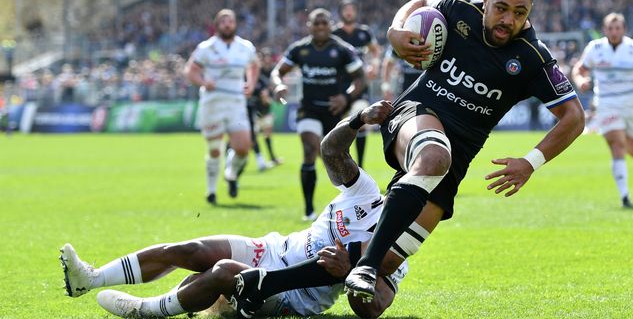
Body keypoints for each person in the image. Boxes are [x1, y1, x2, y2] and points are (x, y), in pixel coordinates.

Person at [344, 0, 586, 300]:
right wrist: (396, 31)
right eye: (500, 8)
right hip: (413, 116)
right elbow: (421, 3)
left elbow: (573, 116)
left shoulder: (532, 57)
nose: (507, 19)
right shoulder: (461, 8)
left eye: (519, 13)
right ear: (485, 0)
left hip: (455, 158)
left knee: (377, 285)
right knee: (431, 156)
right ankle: (365, 266)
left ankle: (271, 282)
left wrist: (530, 163)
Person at [60, 101, 408, 319]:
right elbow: (330, 152)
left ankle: (146, 310)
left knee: (224, 270)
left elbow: (374, 308)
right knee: (191, 250)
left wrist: (350, 271)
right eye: (402, 177)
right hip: (274, 248)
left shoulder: (397, 246)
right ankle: (89, 279)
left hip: (292, 296)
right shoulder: (365, 192)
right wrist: (358, 119)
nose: (400, 186)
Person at [272, 8, 366, 220]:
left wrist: (346, 97)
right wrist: (278, 85)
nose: (321, 27)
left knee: (340, 159)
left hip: (335, 111)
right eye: (316, 23)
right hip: (309, 109)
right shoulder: (300, 49)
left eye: (324, 23)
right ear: (309, 26)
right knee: (309, 149)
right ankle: (308, 210)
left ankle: (354, 205)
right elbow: (278, 71)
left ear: (330, 25)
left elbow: (360, 79)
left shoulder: (342, 49)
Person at [184, 9, 259, 205]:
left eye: (231, 21)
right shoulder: (206, 47)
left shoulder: (245, 47)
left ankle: (231, 174)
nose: (227, 24)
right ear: (217, 25)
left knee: (243, 148)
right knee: (215, 149)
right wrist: (202, 82)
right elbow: (190, 71)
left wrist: (250, 84)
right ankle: (211, 192)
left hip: (236, 102)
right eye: (223, 21)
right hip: (213, 102)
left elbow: (254, 65)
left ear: (235, 24)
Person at [572, 13, 633, 208]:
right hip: (606, 103)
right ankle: (625, 196)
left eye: (617, 28)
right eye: (610, 28)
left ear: (624, 29)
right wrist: (581, 81)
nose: (614, 32)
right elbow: (579, 69)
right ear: (605, 30)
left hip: (632, 103)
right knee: (617, 144)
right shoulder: (595, 48)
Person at [333, 0, 382, 168]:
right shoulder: (334, 34)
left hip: (360, 84)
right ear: (340, 12)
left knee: (361, 122)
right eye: (345, 9)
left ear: (355, 12)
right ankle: (345, 164)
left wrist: (374, 65)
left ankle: (360, 166)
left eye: (352, 8)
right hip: (339, 86)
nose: (349, 12)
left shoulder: (364, 32)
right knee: (342, 127)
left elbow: (376, 50)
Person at [252, 48, 282, 168]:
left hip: (265, 109)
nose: (266, 60)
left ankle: (270, 158)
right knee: (251, 136)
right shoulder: (254, 74)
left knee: (267, 133)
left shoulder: (270, 72)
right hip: (254, 108)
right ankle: (260, 160)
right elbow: (261, 93)